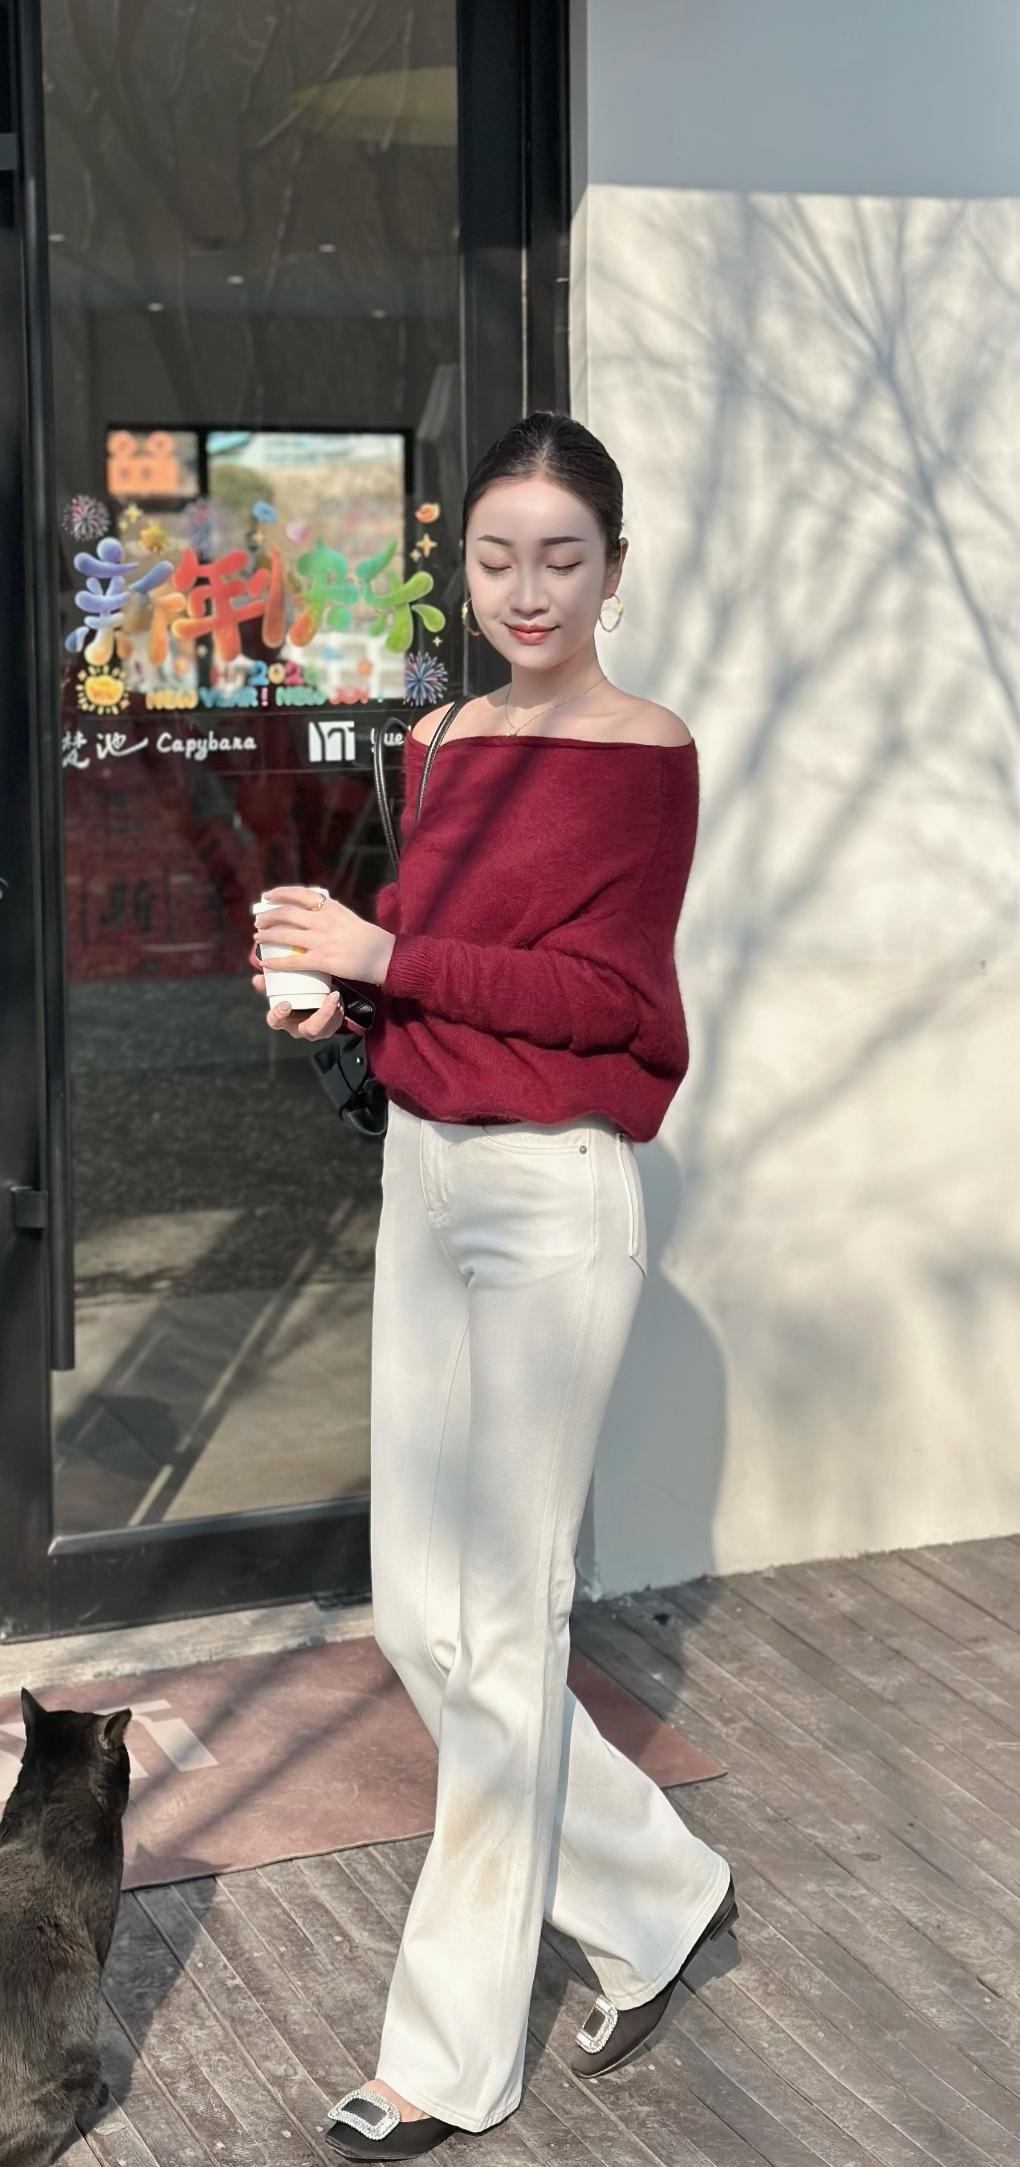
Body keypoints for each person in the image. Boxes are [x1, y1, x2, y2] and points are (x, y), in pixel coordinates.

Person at [251, 412, 736, 2159]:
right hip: (429, 1177)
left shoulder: (643, 752)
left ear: (615, 567)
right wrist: (345, 989)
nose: (528, 590)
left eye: (563, 558)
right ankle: (661, 1892)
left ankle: (446, 2060)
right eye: (497, 557)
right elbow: (447, 954)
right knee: (420, 1620)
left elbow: (603, 998)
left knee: (507, 1629)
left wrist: (392, 950)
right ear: (460, 568)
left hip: (551, 1202)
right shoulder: (444, 738)